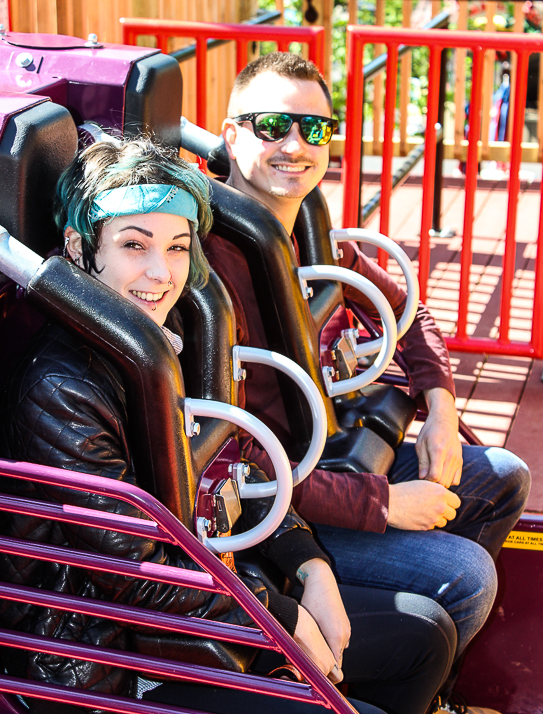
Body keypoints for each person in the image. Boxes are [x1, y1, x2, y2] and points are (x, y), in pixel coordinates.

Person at [0, 138, 456, 714]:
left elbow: (235, 450)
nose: (161, 273)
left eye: (178, 248)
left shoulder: (165, 335)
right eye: (134, 246)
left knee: (425, 634)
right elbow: (140, 577)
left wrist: (309, 567)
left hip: (199, 599)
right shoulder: (62, 391)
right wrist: (281, 621)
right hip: (109, 661)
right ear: (79, 248)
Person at [202, 52, 531, 711]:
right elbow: (226, 460)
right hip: (271, 511)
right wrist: (382, 506)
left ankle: (403, 646)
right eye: (272, 125)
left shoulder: (304, 235)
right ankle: (395, 665)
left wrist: (438, 405)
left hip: (317, 462)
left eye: (314, 129)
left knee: (501, 475)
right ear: (231, 135)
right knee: (466, 578)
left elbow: (413, 312)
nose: (295, 146)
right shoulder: (206, 267)